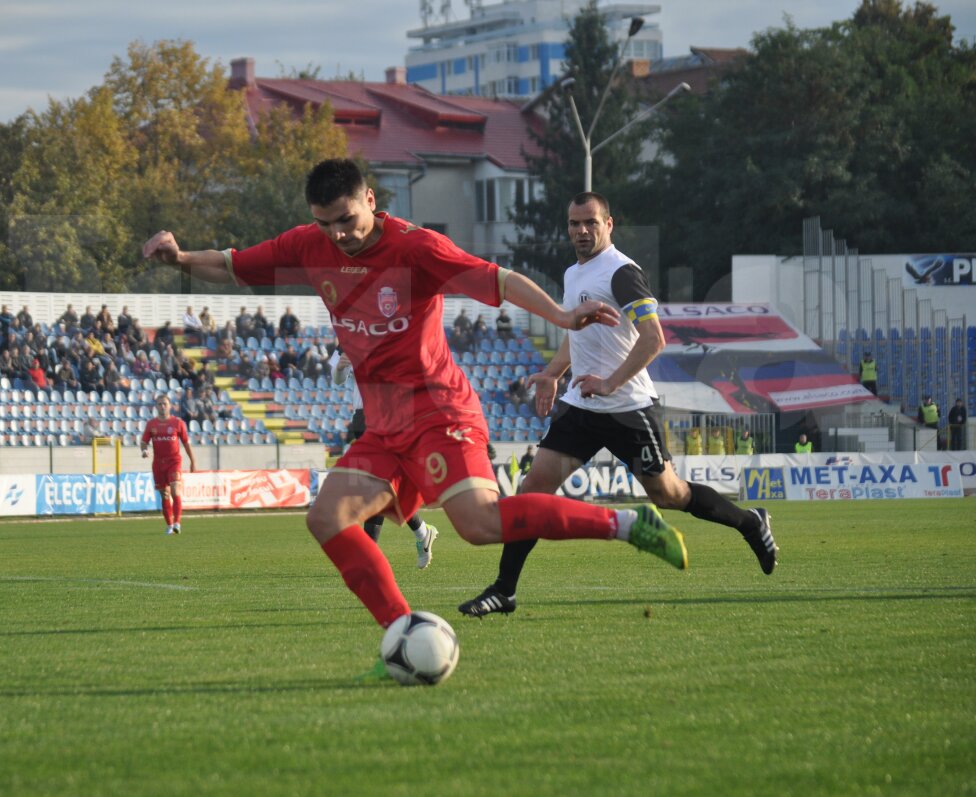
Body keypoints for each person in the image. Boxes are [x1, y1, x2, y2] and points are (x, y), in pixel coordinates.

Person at [143, 158, 687, 673]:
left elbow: (498, 279)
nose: (338, 234)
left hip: (438, 410)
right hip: (384, 422)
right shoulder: (309, 246)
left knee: (479, 526)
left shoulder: (415, 247)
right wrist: (183, 259)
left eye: (347, 220)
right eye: (325, 223)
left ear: (371, 201)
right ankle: (404, 636)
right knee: (326, 518)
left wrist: (563, 317)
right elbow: (235, 264)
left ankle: (628, 524)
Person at [458, 193, 778, 618]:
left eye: (590, 222)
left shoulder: (623, 272)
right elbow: (578, 335)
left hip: (627, 406)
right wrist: (554, 374)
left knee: (669, 495)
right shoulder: (574, 273)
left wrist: (610, 382)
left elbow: (654, 339)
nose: (581, 231)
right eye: (574, 224)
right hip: (582, 407)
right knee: (532, 492)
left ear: (610, 223)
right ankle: (505, 590)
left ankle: (750, 522)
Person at [331, 346, 438, 569]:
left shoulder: (393, 334)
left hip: (389, 417)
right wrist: (340, 368)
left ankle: (368, 555)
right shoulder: (347, 335)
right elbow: (338, 379)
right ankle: (422, 532)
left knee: (377, 486)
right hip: (361, 420)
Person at [141, 394, 196, 534]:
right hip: (158, 463)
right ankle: (169, 525)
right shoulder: (151, 424)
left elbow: (186, 443)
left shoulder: (178, 423)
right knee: (164, 495)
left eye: (165, 403)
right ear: (156, 406)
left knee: (175, 489)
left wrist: (193, 461)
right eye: (159, 404)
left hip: (174, 461)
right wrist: (144, 450)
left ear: (170, 405)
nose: (162, 406)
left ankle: (177, 522)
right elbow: (144, 442)